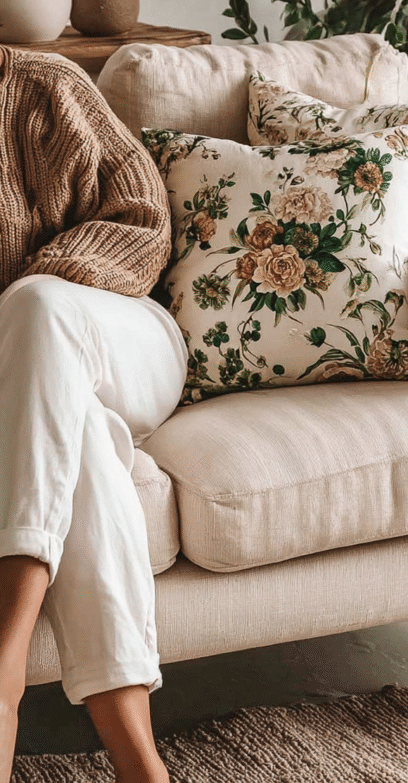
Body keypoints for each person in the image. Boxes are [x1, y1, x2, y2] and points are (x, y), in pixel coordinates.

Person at [0, 44, 188, 783]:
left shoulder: (44, 86)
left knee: (38, 309)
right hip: (29, 395)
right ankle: (142, 765)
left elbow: (142, 217)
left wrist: (32, 308)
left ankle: (5, 661)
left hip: (124, 337)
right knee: (76, 441)